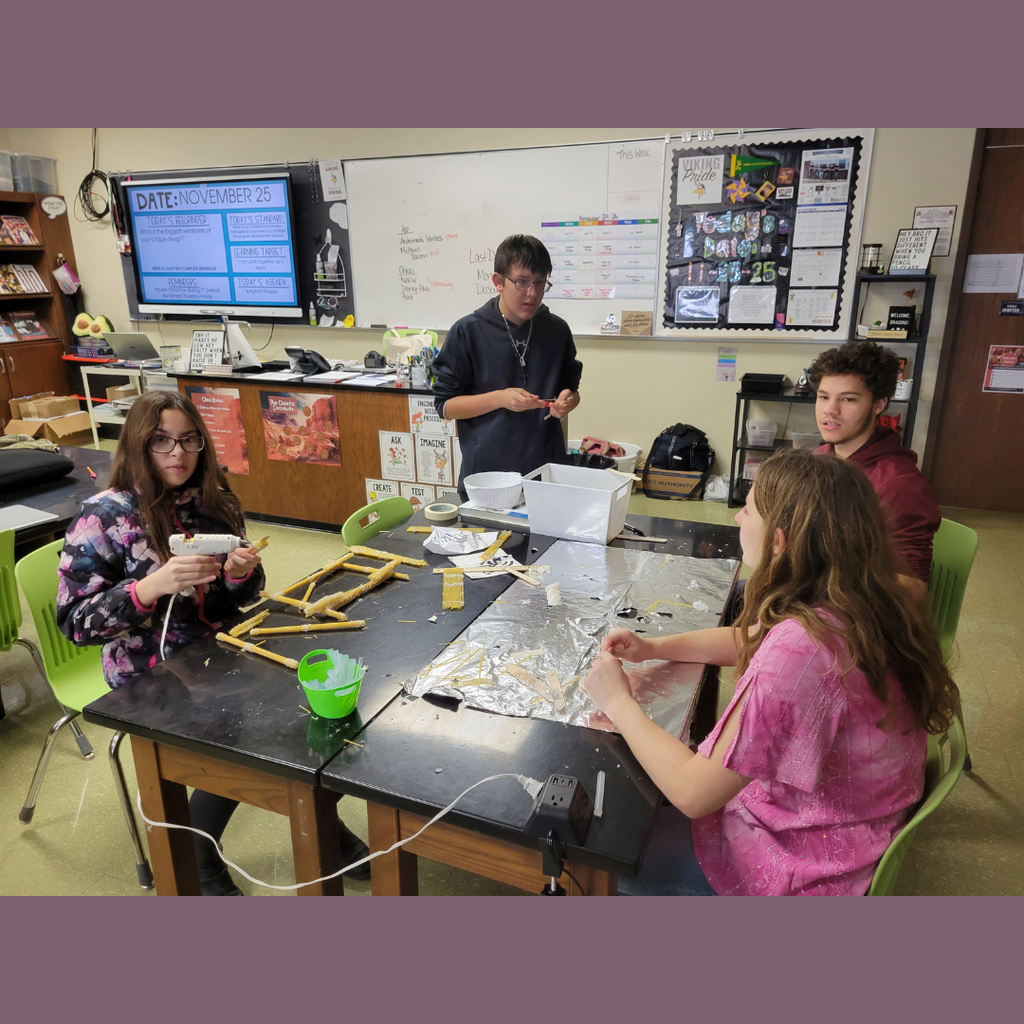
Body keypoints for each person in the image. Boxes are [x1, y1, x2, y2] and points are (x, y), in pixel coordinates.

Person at [582, 449, 958, 895]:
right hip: (848, 832)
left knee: (602, 844)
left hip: (798, 867)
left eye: (750, 509)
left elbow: (692, 793)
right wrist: (653, 647)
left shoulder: (803, 649)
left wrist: (617, 701)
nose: (739, 518)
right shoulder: (857, 595)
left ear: (779, 542)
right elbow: (749, 638)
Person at [56, 391, 369, 894]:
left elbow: (234, 598)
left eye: (187, 440)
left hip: (217, 646)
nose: (177, 454)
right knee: (251, 727)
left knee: (307, 705)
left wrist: (242, 573)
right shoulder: (105, 517)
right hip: (147, 665)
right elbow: (74, 624)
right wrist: (148, 587)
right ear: (137, 445)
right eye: (160, 442)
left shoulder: (214, 502)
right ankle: (198, 854)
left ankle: (328, 832)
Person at [431, 234, 582, 494]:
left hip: (546, 471)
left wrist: (568, 401)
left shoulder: (557, 330)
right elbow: (445, 406)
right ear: (498, 281)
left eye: (540, 283)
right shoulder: (468, 332)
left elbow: (571, 390)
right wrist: (500, 399)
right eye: (521, 282)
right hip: (487, 477)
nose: (532, 293)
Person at [809, 339, 940, 601]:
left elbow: (912, 588)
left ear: (879, 405)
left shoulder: (899, 483)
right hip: (814, 596)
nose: (830, 410)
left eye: (848, 399)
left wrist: (821, 578)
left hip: (856, 620)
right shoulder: (821, 458)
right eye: (824, 397)